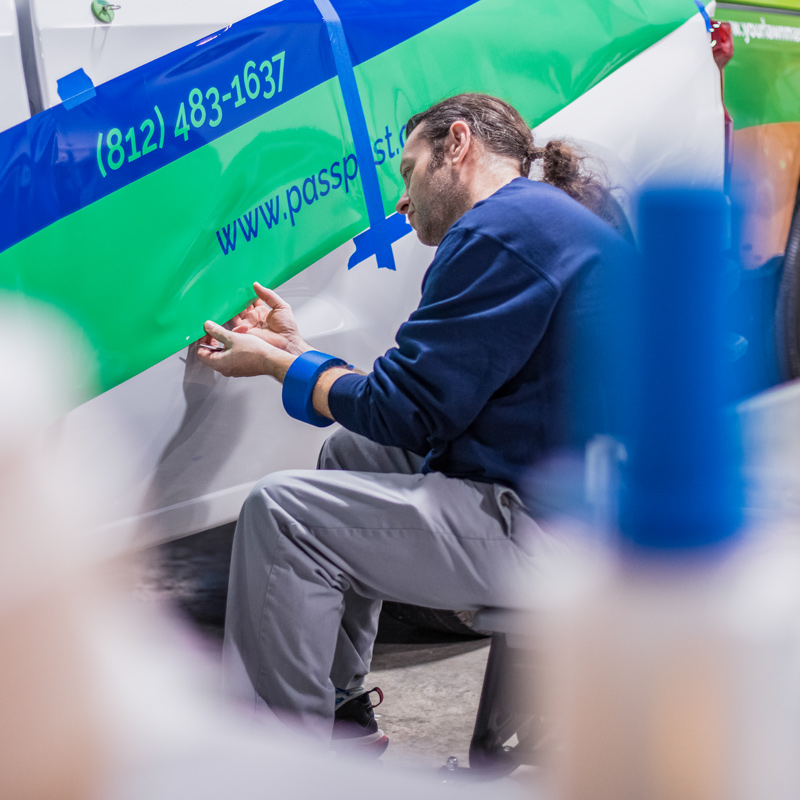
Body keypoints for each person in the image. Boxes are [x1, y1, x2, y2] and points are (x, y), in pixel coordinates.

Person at [196, 93, 633, 752]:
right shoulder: (537, 219)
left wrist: (278, 366)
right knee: (351, 452)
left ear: (457, 144)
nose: (402, 200)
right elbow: (420, 397)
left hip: (560, 533)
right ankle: (340, 713)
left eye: (408, 171)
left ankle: (284, 761)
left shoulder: (497, 234)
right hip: (577, 492)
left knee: (281, 514)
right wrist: (296, 354)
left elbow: (404, 409)